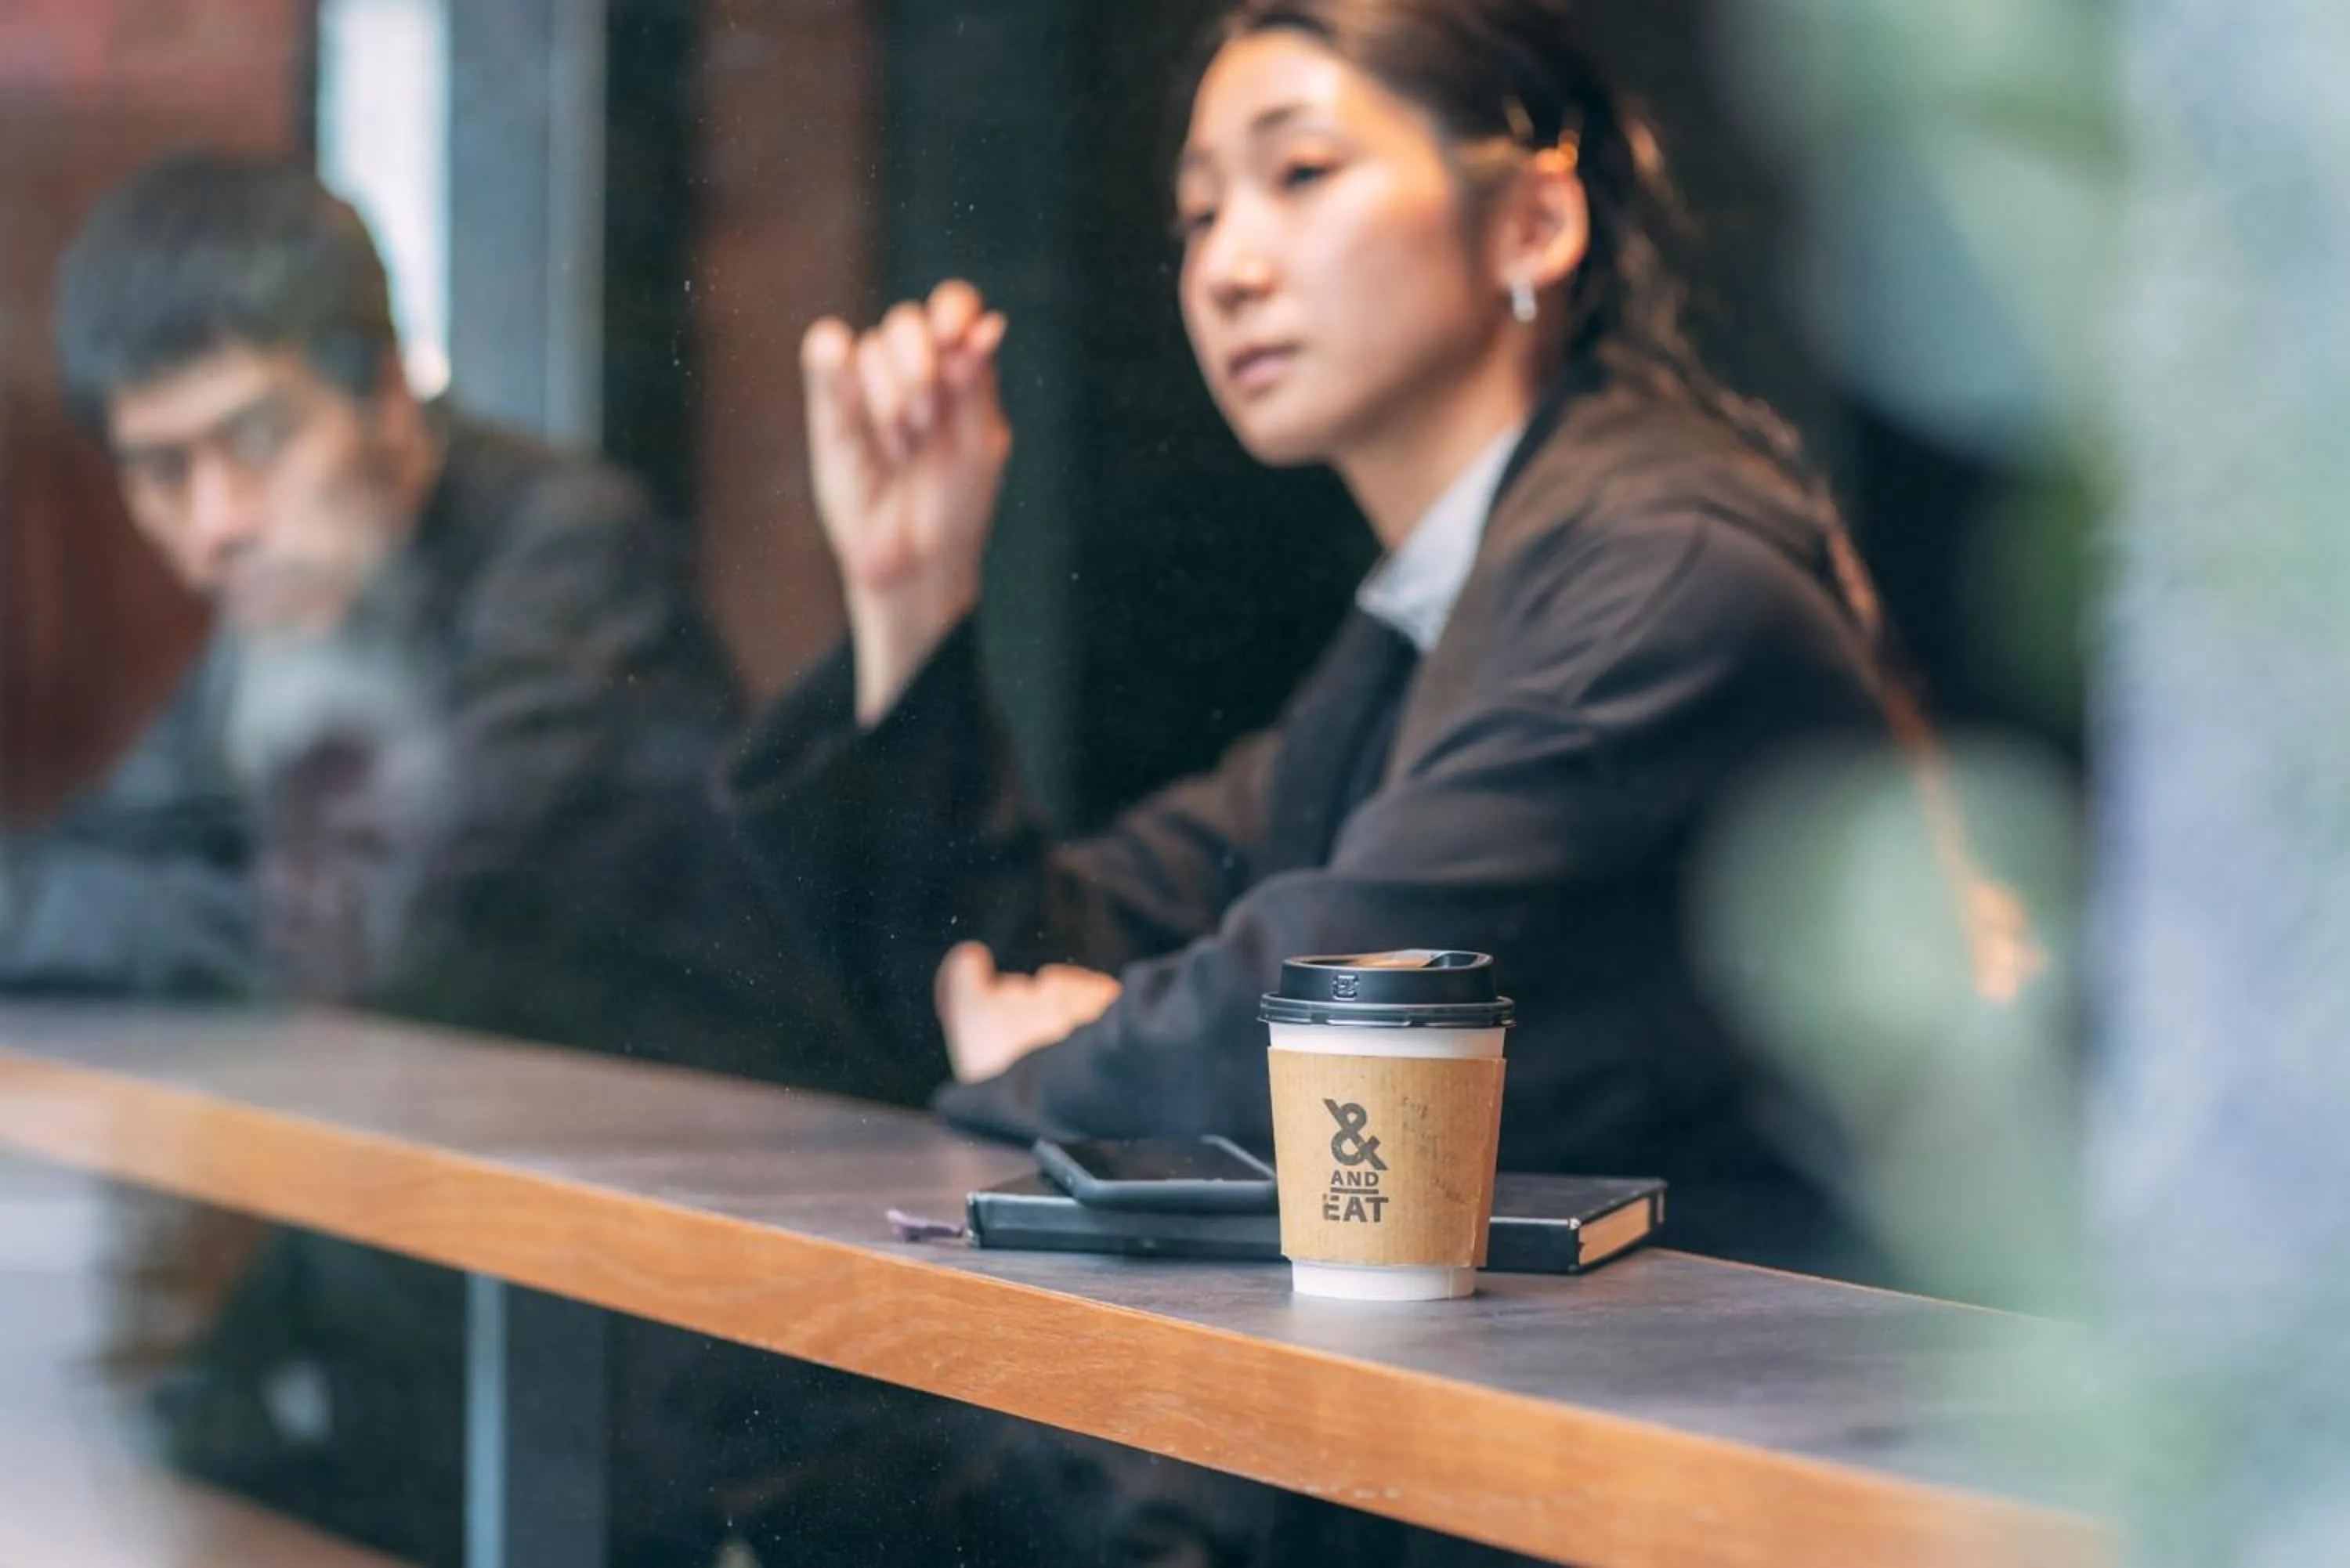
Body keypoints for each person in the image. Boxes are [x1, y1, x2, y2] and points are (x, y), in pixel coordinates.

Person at [731, 0, 2002, 1284]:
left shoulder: (1653, 579)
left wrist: (1081, 1041)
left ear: (1532, 225)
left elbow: (1304, 1032)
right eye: (1200, 215)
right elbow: (1043, 951)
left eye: (1301, 175)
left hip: (1790, 1430)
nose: (1229, 263)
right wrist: (912, 591)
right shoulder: (1447, 602)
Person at [12, 153, 869, 1568]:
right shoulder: (277, 618)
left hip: (707, 1387)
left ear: (384, 389)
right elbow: (113, 867)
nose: (216, 519)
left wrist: (164, 906)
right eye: (164, 471)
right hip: (450, 1339)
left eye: (256, 438)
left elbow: (372, 918)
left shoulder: (568, 557)